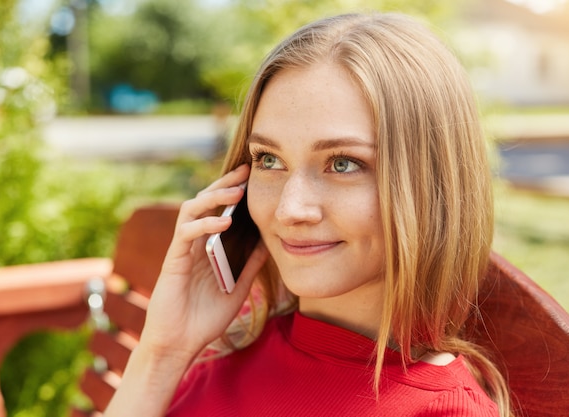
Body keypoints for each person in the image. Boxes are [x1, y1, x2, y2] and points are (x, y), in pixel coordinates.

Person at [104, 12, 511, 417]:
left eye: (343, 164)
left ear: (432, 183)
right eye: (268, 159)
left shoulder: (443, 410)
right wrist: (162, 352)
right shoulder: (231, 337)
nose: (289, 208)